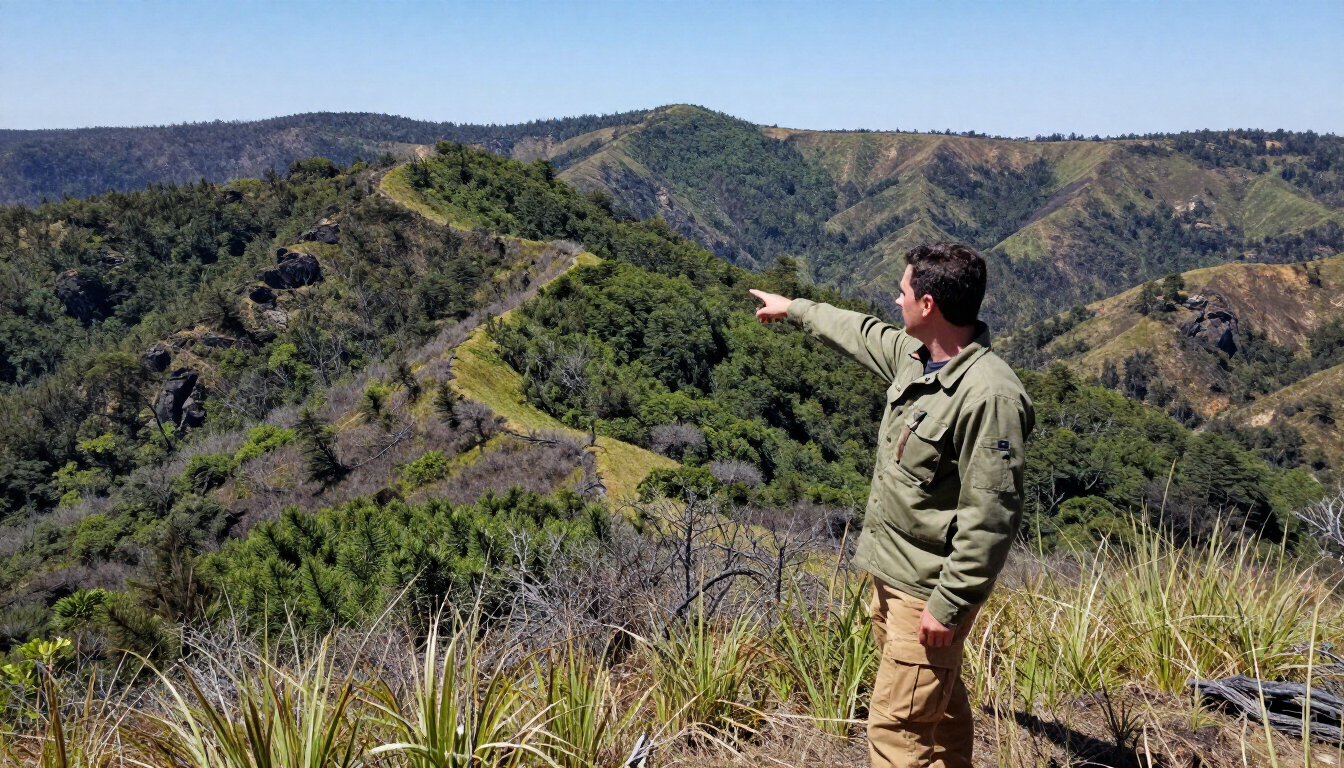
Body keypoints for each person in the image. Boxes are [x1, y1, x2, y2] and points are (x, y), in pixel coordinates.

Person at [750, 242, 1033, 768]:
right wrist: (793, 308)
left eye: (902, 291)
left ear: (928, 304)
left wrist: (950, 603)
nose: (895, 300)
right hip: (894, 575)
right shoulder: (918, 357)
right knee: (939, 710)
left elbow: (992, 516)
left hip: (928, 591)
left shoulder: (988, 396)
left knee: (898, 729)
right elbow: (860, 332)